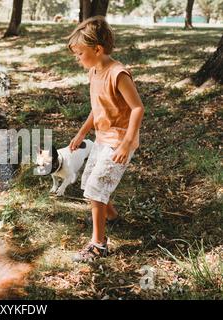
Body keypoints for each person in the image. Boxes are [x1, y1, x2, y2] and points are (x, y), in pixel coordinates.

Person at [67, 16, 145, 262]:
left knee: (95, 189)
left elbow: (137, 108)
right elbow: (97, 108)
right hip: (102, 139)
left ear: (97, 49)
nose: (77, 58)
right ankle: (111, 216)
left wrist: (127, 142)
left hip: (119, 141)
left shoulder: (118, 74)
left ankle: (98, 244)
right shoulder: (95, 72)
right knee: (89, 183)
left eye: (80, 53)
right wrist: (82, 133)